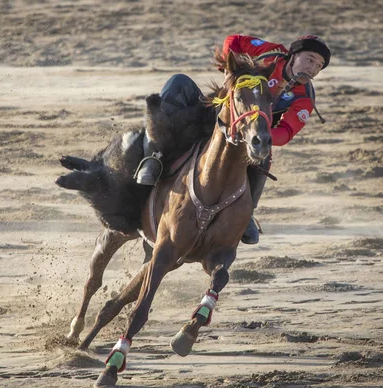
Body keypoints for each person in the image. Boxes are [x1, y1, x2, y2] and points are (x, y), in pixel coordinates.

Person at [134, 34, 331, 244]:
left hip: (249, 139)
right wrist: (231, 74)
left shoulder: (305, 97)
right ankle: (152, 158)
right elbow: (233, 40)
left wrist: (254, 132)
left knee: (265, 157)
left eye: (319, 66)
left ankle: (247, 215)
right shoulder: (270, 52)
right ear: (293, 54)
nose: (313, 69)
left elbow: (286, 132)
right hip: (221, 110)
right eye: (310, 60)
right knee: (178, 82)